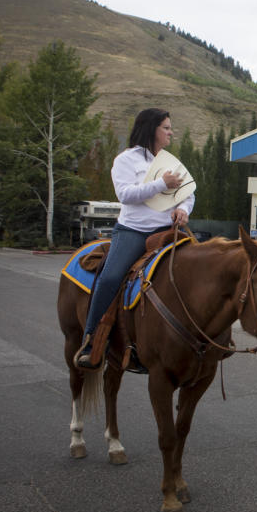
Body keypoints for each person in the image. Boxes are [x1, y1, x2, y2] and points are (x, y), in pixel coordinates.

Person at [74, 108, 194, 369]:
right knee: (111, 277)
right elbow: (125, 195)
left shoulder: (171, 162)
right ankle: (93, 341)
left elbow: (188, 193)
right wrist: (161, 183)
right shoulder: (126, 160)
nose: (171, 132)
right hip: (134, 232)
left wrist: (183, 209)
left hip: (168, 232)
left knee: (199, 272)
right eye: (166, 127)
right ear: (152, 129)